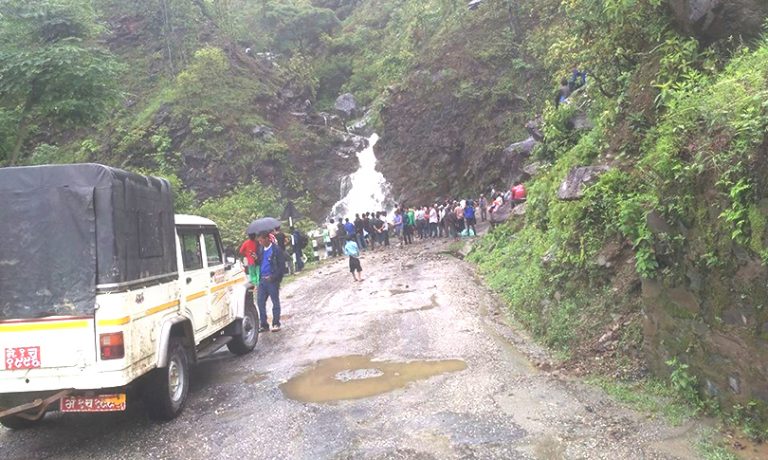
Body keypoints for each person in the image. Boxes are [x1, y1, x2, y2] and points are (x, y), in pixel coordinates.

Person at [255, 231, 286, 332]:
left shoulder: (276, 250)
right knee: (260, 302)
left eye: (261, 240)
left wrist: (273, 277)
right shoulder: (261, 249)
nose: (260, 242)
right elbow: (260, 262)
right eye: (259, 241)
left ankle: (276, 323)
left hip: (272, 280)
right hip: (263, 280)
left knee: (274, 301)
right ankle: (264, 324)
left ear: (267, 239)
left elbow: (281, 267)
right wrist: (256, 259)